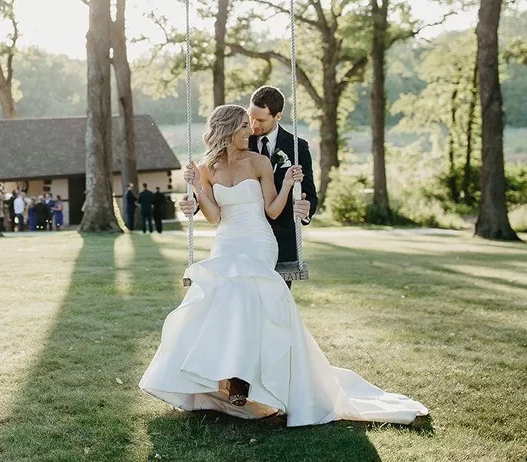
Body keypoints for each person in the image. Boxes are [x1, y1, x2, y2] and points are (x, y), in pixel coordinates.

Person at [139, 104, 428, 427]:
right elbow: (214, 217)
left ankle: (240, 380)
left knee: (242, 294)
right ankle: (224, 377)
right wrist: (194, 186)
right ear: (230, 130)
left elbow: (274, 211)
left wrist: (289, 183)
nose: (251, 131)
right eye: (245, 127)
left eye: (252, 126)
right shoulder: (208, 168)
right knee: (221, 300)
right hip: (226, 240)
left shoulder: (260, 162)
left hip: (259, 241)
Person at [247, 85, 319, 289]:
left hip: (283, 238)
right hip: (248, 235)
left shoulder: (297, 147)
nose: (253, 124)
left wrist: (306, 209)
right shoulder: (240, 141)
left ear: (278, 116)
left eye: (261, 120)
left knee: (277, 303)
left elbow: (310, 193)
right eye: (251, 116)